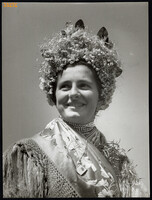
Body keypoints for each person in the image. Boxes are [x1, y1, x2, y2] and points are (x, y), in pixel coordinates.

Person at [3, 19, 149, 198]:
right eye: (65, 86)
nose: (73, 94)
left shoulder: (119, 163)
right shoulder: (28, 156)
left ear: (101, 95)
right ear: (53, 94)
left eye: (84, 85)